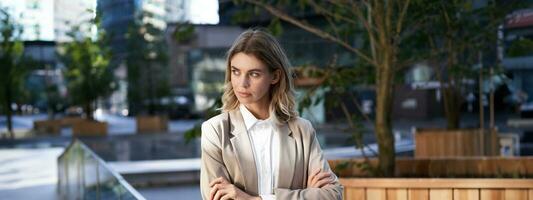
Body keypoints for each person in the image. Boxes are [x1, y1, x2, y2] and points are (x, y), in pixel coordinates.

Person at [200, 29, 343, 200]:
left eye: (254, 74)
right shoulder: (215, 130)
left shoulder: (301, 130)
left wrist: (251, 199)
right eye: (236, 71)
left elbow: (333, 195)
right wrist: (306, 194)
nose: (242, 83)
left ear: (275, 76)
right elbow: (215, 197)